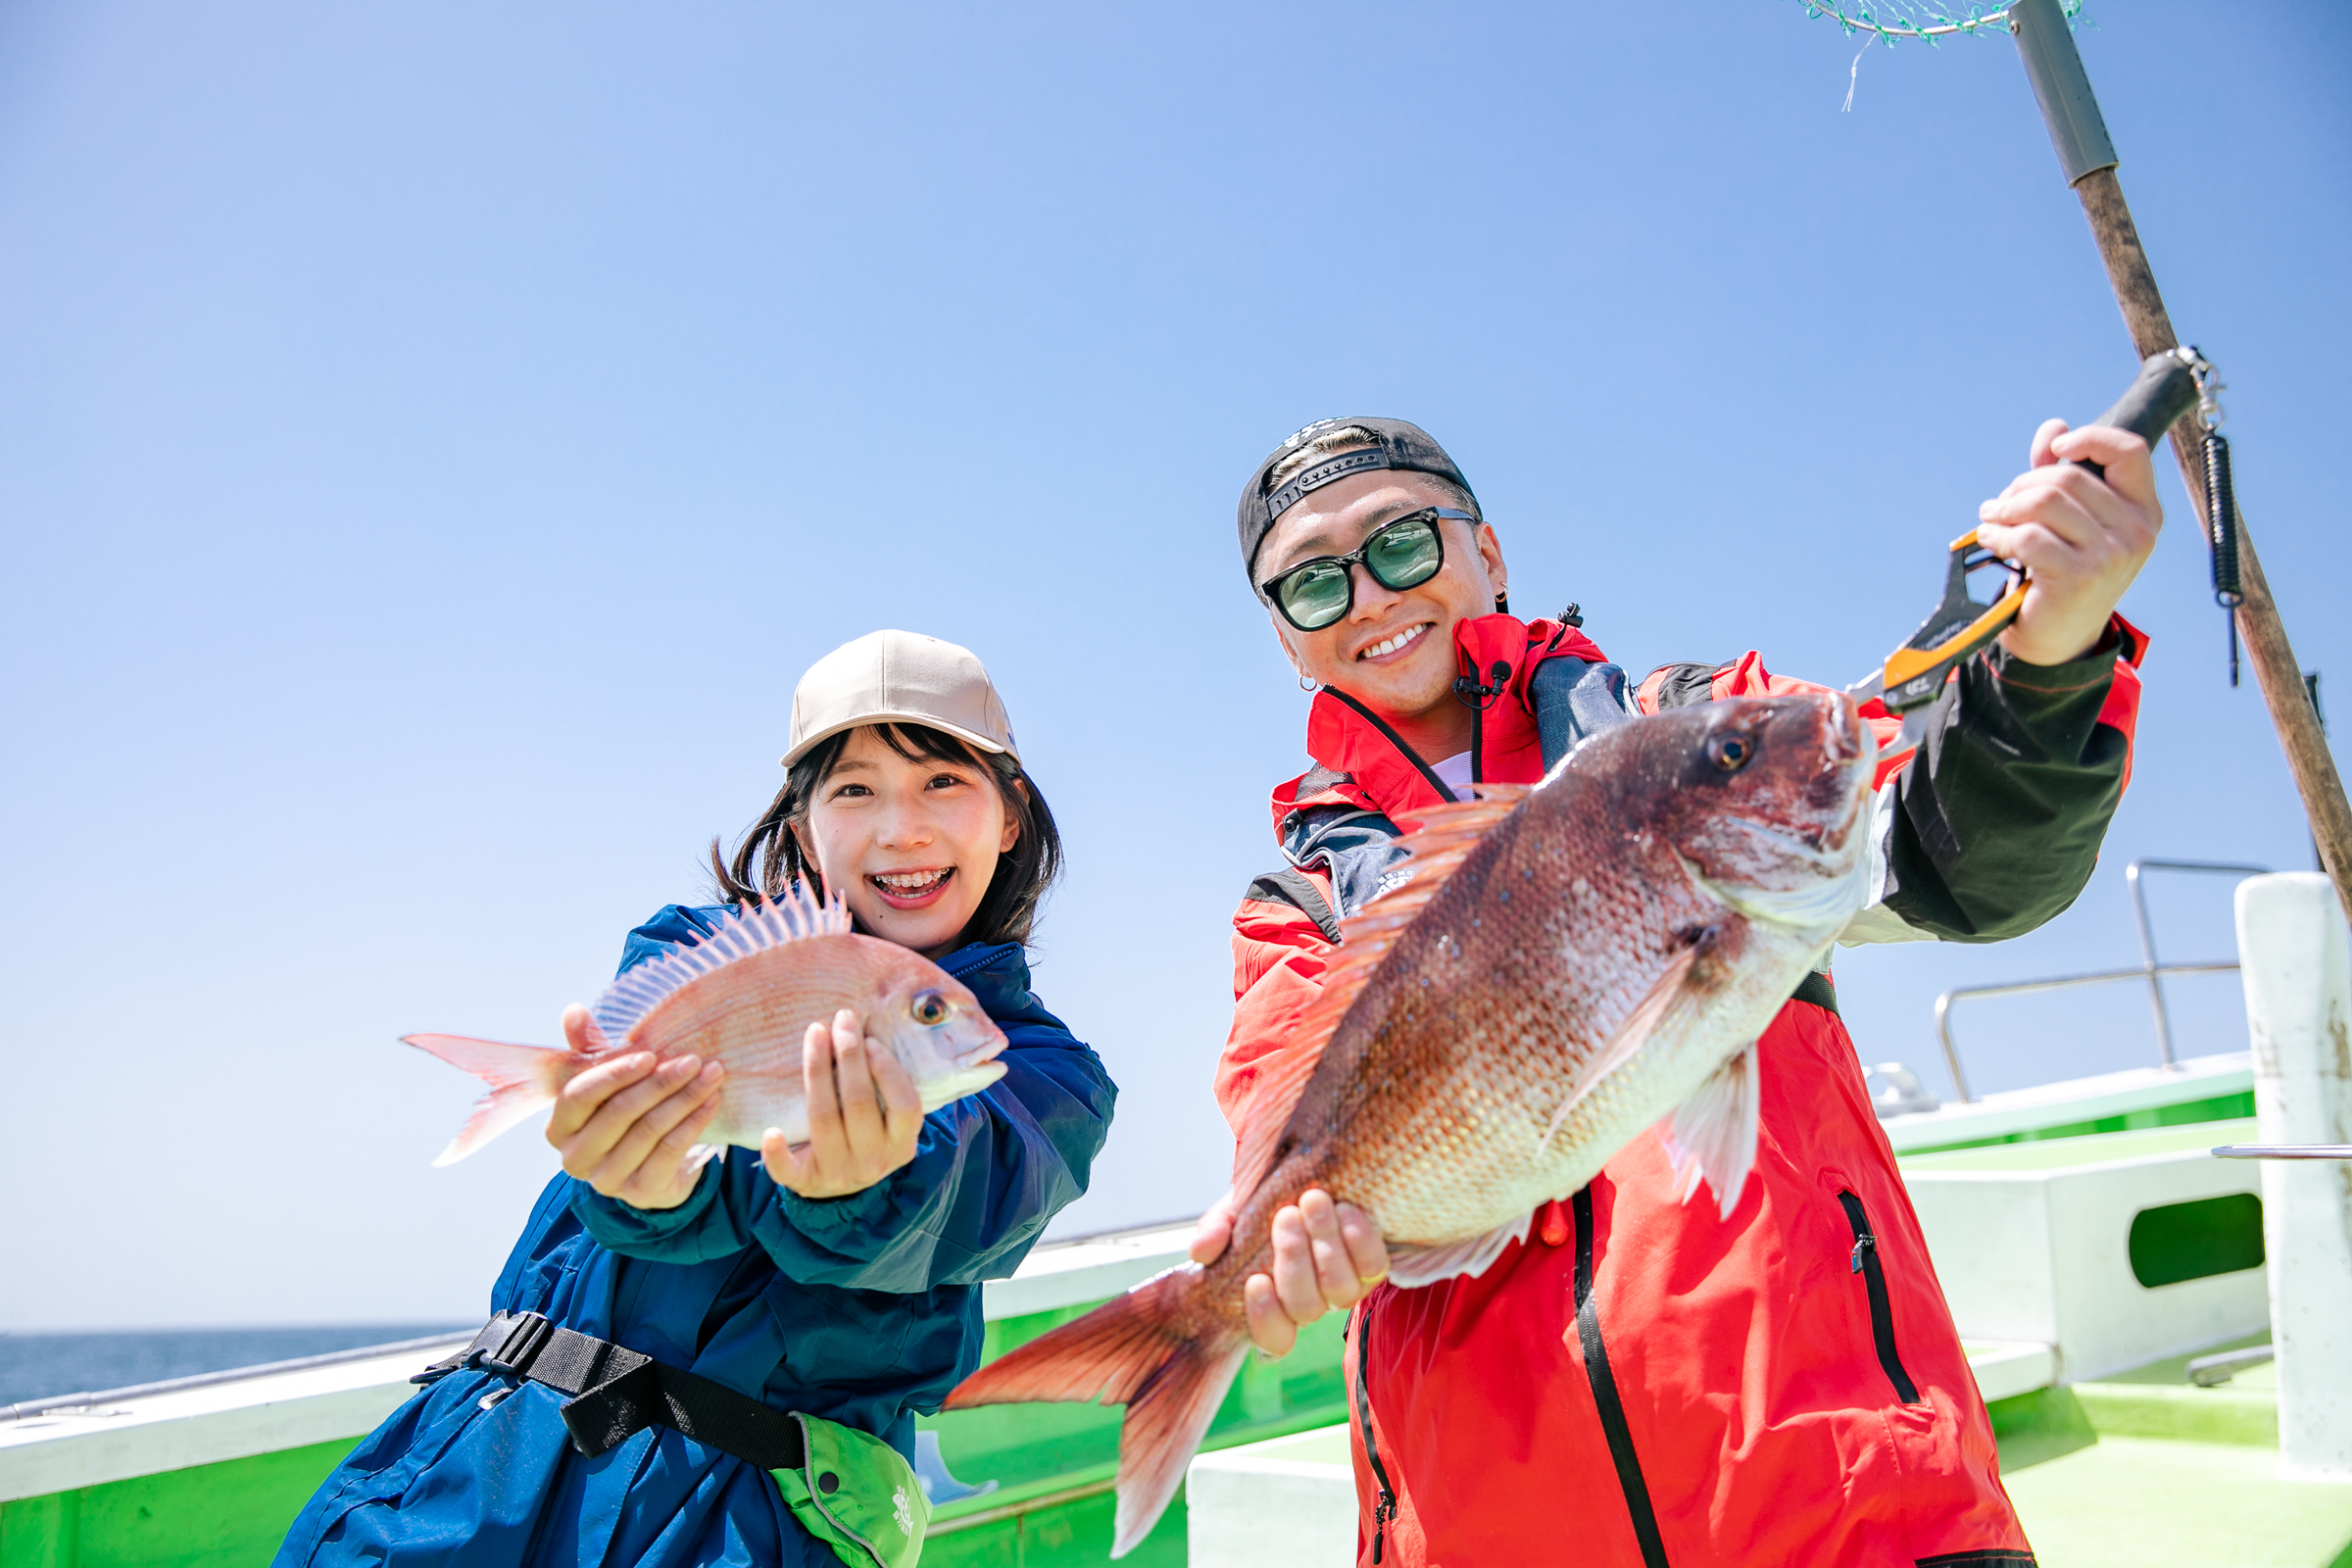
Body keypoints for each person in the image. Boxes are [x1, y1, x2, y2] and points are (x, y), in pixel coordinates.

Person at [1190, 416, 2158, 1565]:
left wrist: (2050, 648)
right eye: (1311, 583)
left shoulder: (1705, 730)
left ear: (1488, 554)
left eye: (1402, 542)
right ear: (1285, 639)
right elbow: (1278, 1116)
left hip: (1851, 1515)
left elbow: (1961, 854)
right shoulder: (1293, 900)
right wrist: (1285, 1242)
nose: (1366, 593)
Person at [278, 630, 1117, 1568]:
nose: (901, 829)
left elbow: (956, 1190)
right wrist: (642, 1177)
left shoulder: (1045, 1075)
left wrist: (859, 1188)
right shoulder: (693, 950)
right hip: (482, 1465)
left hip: (757, 1524)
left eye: (942, 783)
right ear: (803, 830)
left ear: (1010, 817)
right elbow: (673, 1188)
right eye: (854, 789)